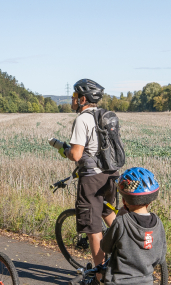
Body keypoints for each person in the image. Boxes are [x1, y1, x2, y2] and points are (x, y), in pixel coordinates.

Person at [49, 78, 119, 266]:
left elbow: (76, 154)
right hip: (111, 175)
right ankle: (125, 246)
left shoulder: (82, 119)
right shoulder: (104, 116)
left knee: (93, 228)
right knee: (108, 212)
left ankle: (99, 275)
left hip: (92, 179)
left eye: (74, 95)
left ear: (82, 99)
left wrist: (64, 150)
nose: (72, 99)